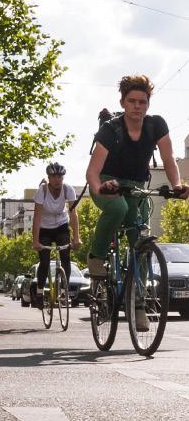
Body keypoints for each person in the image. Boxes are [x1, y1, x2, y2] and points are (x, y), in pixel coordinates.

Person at [85, 75, 189, 327]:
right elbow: (92, 172)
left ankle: (138, 304)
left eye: (142, 101)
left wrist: (176, 185)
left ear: (148, 104)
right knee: (118, 207)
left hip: (136, 186)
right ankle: (96, 257)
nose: (137, 106)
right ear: (122, 102)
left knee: (141, 241)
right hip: (108, 183)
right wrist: (101, 188)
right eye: (131, 101)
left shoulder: (156, 126)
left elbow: (168, 157)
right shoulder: (111, 129)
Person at [32, 162, 80, 302]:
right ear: (49, 178)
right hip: (44, 228)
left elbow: (73, 214)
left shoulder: (68, 189)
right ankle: (40, 292)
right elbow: (37, 217)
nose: (57, 180)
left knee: (66, 257)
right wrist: (35, 241)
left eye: (60, 176)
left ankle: (65, 292)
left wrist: (76, 238)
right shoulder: (42, 191)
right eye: (54, 177)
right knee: (45, 261)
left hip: (61, 225)